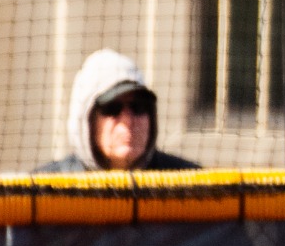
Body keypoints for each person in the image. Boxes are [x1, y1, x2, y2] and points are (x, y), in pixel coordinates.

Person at [38, 49, 198, 172]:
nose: (128, 121)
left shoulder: (191, 185)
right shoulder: (44, 188)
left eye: (138, 107)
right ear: (87, 121)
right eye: (112, 109)